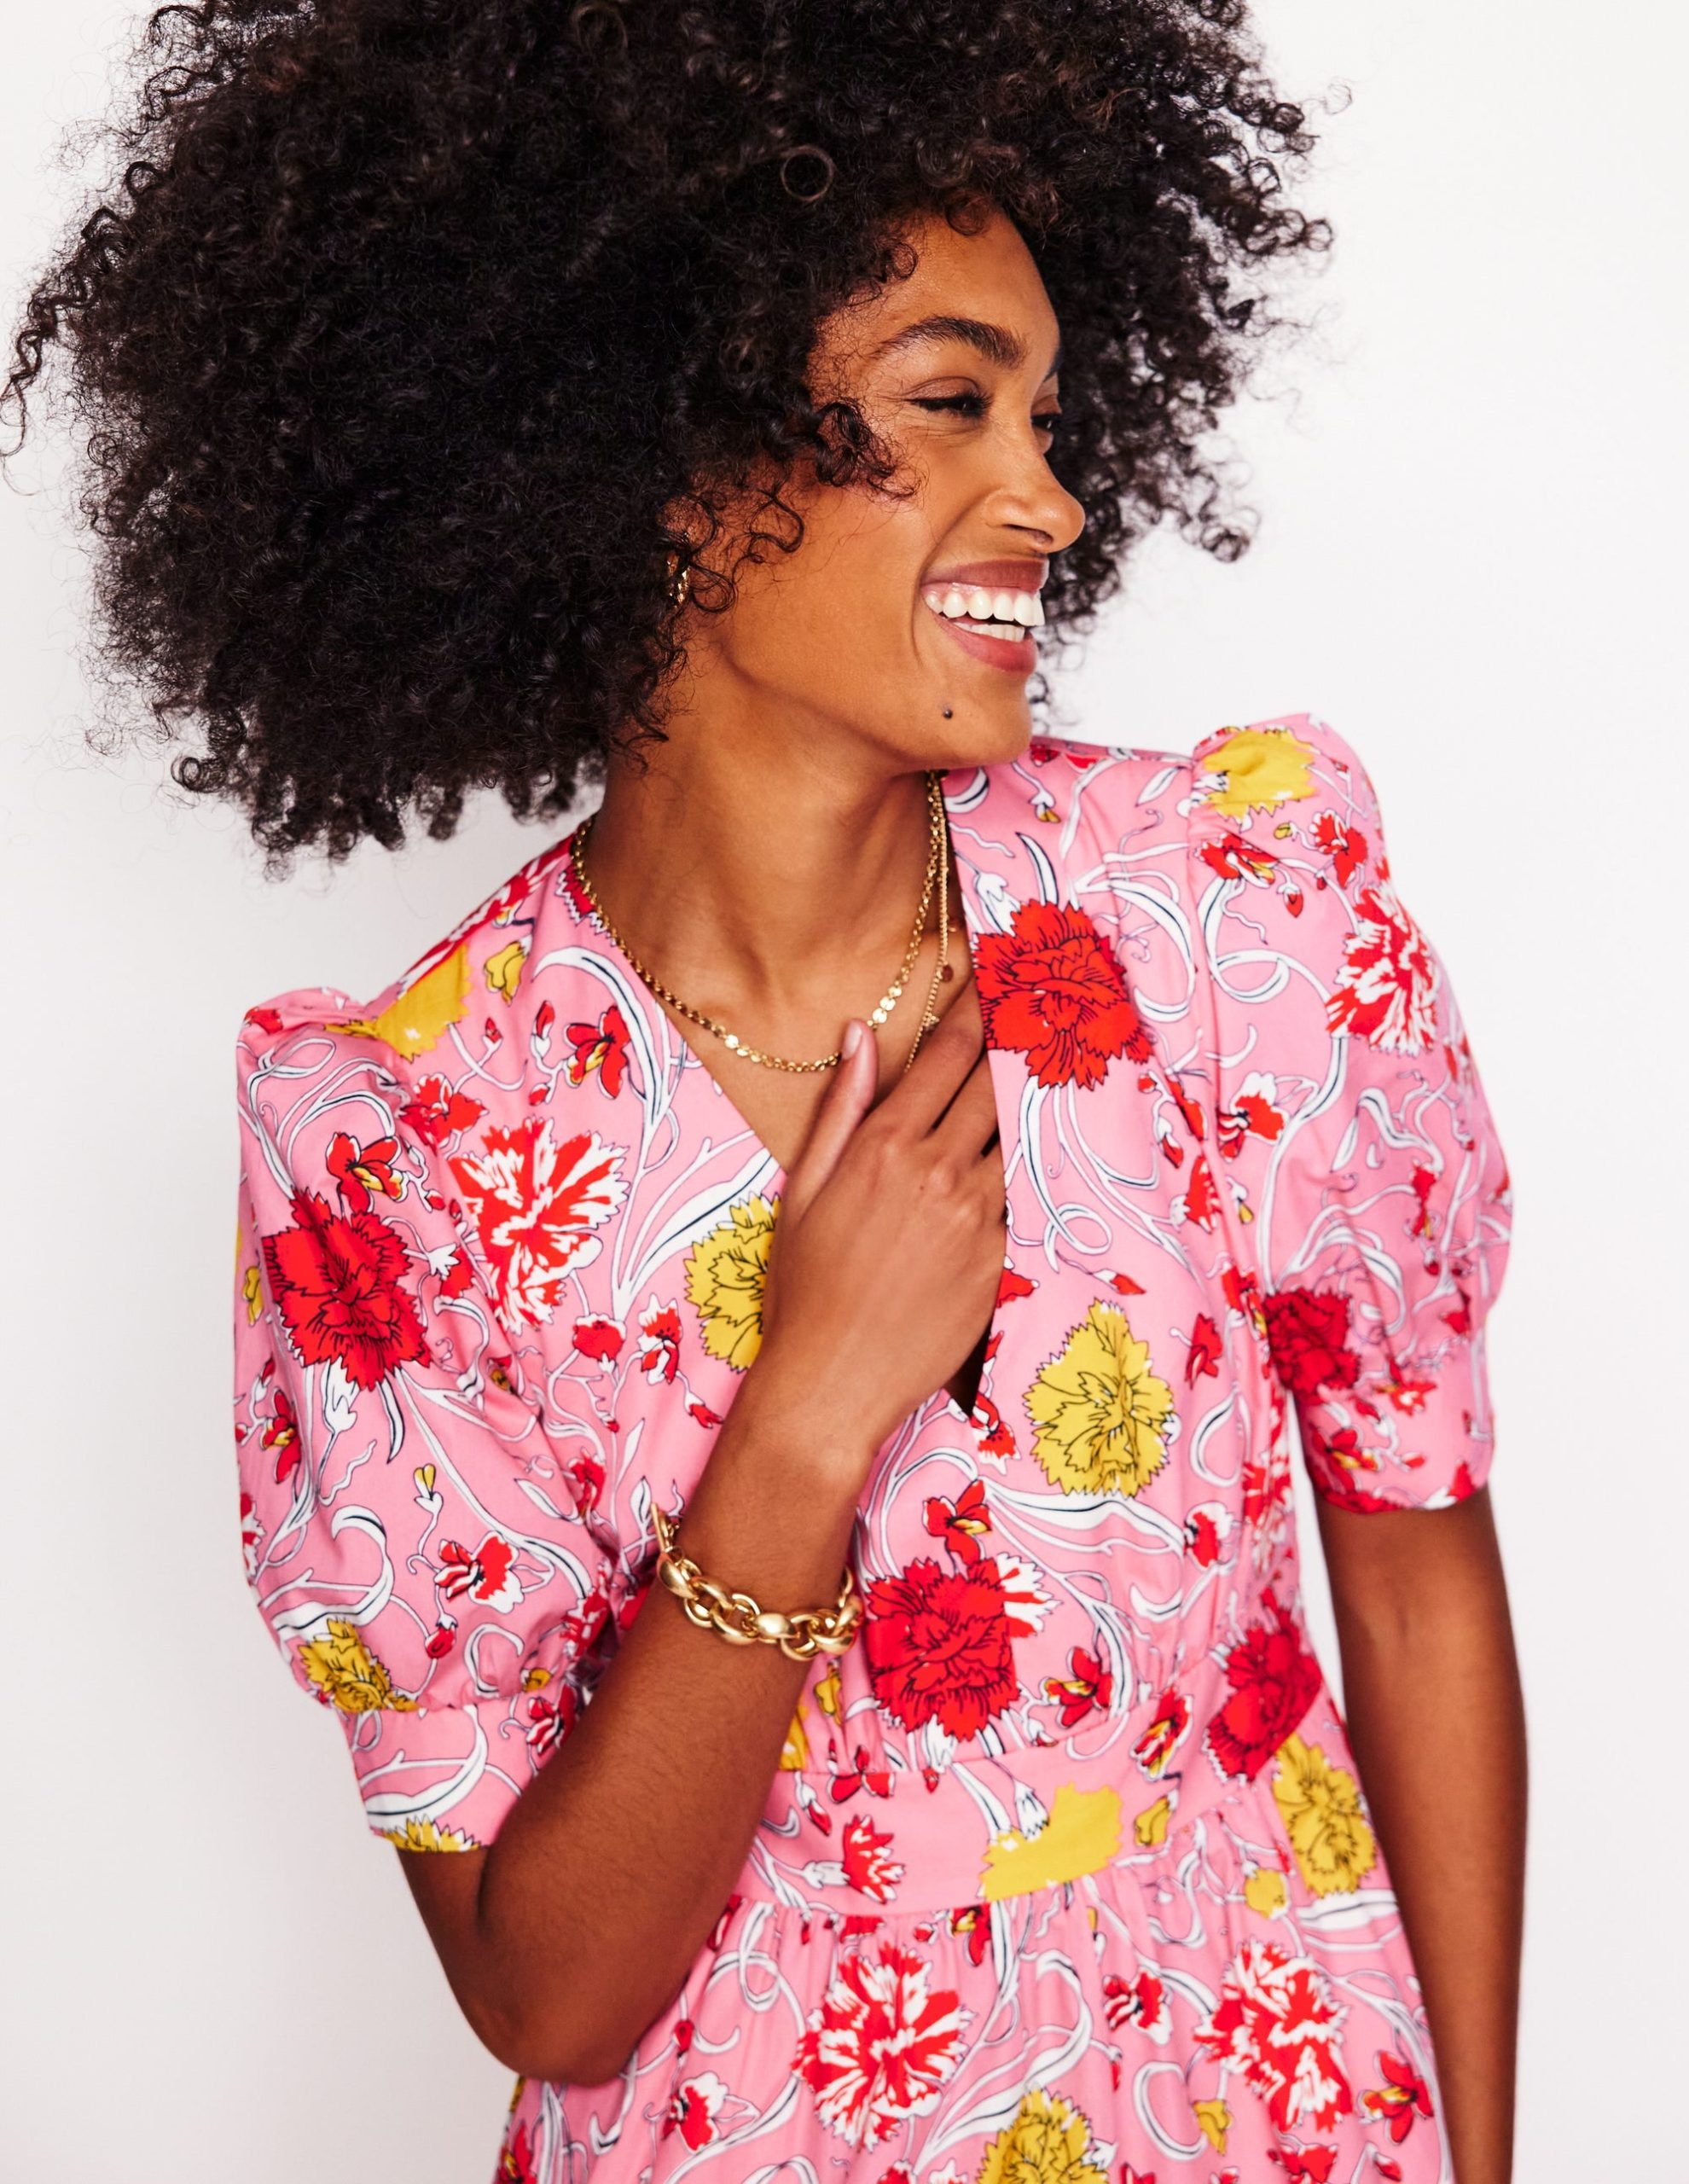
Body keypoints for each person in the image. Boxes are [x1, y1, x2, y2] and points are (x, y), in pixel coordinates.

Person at [4, 4, 1525, 2179]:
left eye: (1049, 412)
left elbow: (1418, 1572)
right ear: (668, 445)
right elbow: (548, 1990)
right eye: (951, 402)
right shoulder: (402, 1148)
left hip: (1265, 2102)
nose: (1052, 495)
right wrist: (807, 1411)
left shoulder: (1225, 914)